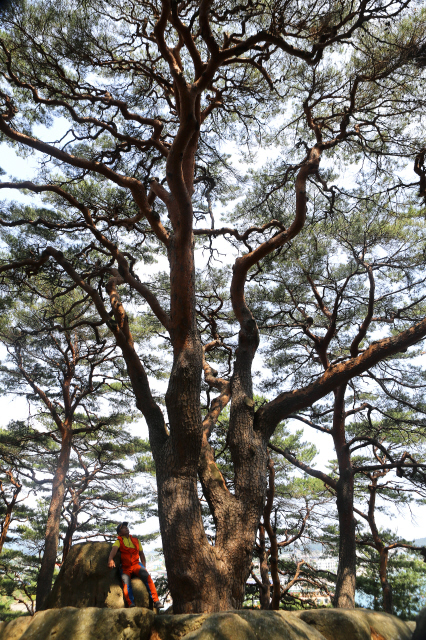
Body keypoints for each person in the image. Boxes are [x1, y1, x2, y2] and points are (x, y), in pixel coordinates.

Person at [107, 522, 163, 610]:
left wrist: (144, 567)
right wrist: (110, 559)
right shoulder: (119, 541)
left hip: (136, 564)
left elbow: (142, 554)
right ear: (119, 533)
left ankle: (156, 601)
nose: (126, 528)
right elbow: (114, 550)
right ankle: (131, 603)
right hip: (125, 567)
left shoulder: (136, 540)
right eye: (123, 528)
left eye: (126, 527)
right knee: (126, 583)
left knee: (147, 577)